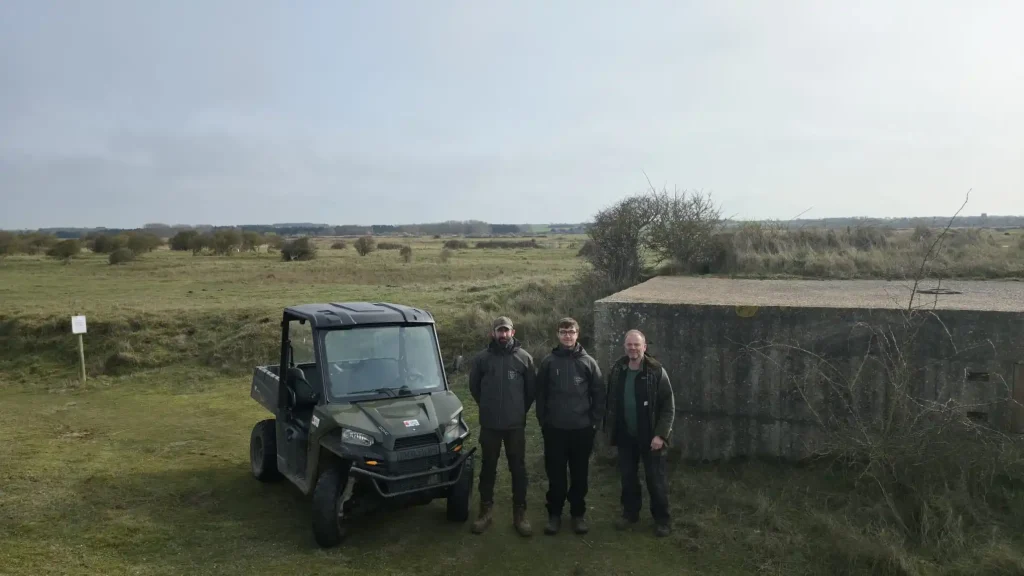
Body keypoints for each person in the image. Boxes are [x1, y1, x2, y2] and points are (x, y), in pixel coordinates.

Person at [534, 317, 605, 535]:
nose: (567, 335)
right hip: (555, 430)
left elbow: (599, 394)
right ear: (557, 334)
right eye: (563, 331)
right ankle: (554, 514)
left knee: (579, 474)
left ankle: (577, 514)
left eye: (571, 331)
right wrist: (544, 423)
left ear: (577, 334)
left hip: (581, 430)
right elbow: (541, 395)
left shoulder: (588, 362)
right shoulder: (548, 362)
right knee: (556, 475)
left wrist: (593, 422)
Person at [468, 316, 537, 536]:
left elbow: (530, 392)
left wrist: (517, 410)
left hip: (515, 426)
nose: (503, 335)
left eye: (506, 331)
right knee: (488, 468)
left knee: (518, 469)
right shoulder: (482, 359)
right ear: (493, 333)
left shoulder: (524, 358)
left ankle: (520, 514)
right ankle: (485, 512)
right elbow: (474, 387)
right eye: (499, 331)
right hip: (489, 425)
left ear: (513, 332)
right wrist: (488, 407)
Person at [602, 329, 675, 537]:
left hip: (651, 437)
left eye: (637, 345)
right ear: (624, 346)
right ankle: (630, 514)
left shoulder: (656, 371)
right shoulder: (618, 369)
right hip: (626, 435)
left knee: (655, 480)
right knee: (628, 477)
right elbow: (611, 401)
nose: (632, 348)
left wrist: (661, 435)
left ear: (645, 347)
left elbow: (668, 406)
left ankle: (662, 520)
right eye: (629, 345)